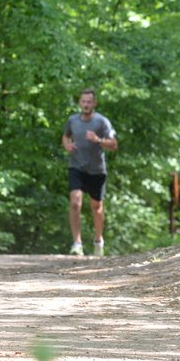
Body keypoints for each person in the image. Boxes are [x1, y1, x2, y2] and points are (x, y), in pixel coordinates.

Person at [62, 88, 118, 257]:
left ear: (94, 103)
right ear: (80, 103)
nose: (86, 105)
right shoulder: (72, 120)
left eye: (89, 102)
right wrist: (67, 145)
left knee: (96, 207)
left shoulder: (102, 122)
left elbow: (114, 144)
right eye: (83, 101)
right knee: (75, 202)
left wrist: (98, 140)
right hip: (77, 167)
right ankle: (77, 244)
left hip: (96, 170)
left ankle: (98, 240)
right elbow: (65, 136)